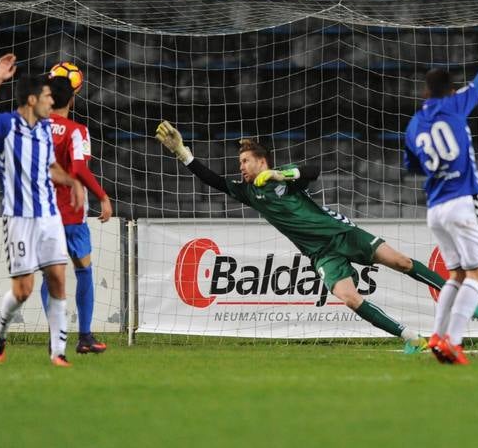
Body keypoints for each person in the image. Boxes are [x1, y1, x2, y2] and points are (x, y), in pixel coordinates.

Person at [154, 127, 455, 352]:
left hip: (342, 233)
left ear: (261, 161)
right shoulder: (248, 192)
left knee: (401, 262)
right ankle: (409, 337)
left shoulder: (283, 176)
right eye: (240, 162)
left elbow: (312, 171)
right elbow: (213, 180)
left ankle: (457, 297)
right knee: (349, 298)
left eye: (245, 161)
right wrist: (183, 153)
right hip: (321, 253)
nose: (240, 167)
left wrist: (278, 176)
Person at [404, 12, 478, 365]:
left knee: (455, 274)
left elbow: (410, 167)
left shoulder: (412, 124)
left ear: (425, 92)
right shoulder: (456, 104)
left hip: (435, 208)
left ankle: (438, 336)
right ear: (451, 90)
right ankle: (452, 341)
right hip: (464, 201)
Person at [0, 53, 87, 367]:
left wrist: (72, 181)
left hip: (49, 216)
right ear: (32, 99)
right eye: (48, 97)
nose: (53, 102)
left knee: (59, 278)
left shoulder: (46, 128)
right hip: (19, 219)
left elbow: (49, 167)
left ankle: (58, 353)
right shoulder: (7, 125)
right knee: (23, 291)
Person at [38, 75, 113, 354]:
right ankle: (85, 337)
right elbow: (81, 168)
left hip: (43, 215)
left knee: (50, 276)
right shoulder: (76, 130)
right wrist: (102, 196)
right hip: (71, 213)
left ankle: (55, 336)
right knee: (84, 271)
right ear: (72, 99)